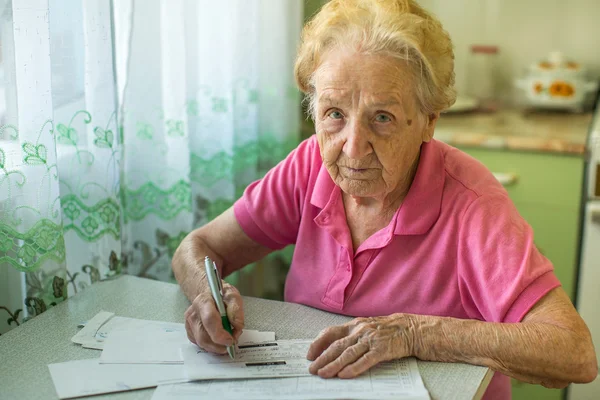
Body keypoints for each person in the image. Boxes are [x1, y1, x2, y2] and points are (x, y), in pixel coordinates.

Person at [172, 0, 597, 398]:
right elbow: (198, 248)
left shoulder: (471, 203)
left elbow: (573, 352)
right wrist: (206, 295)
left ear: (428, 121)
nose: (353, 148)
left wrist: (414, 333)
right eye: (334, 113)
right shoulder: (310, 167)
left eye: (383, 118)